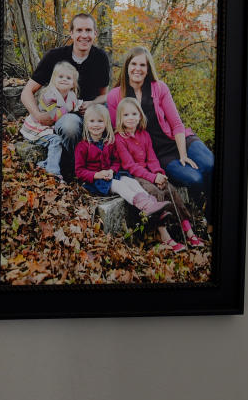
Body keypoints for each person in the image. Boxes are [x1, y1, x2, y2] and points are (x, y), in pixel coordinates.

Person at [106, 46, 214, 215]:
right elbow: (117, 132)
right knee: (195, 179)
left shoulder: (159, 88)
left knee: (210, 164)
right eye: (133, 64)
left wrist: (183, 154)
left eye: (143, 65)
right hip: (159, 154)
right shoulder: (115, 95)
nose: (137, 69)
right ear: (126, 66)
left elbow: (177, 124)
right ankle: (201, 207)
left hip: (179, 140)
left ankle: (213, 215)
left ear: (148, 69)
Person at [19, 13, 111, 177]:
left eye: (88, 30)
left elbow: (105, 96)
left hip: (90, 111)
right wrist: (38, 115)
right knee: (70, 126)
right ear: (72, 33)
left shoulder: (101, 58)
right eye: (79, 30)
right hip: (64, 113)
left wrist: (91, 104)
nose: (84, 35)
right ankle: (73, 170)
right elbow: (26, 92)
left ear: (95, 34)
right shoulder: (55, 56)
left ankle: (110, 166)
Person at [113, 98, 205, 252]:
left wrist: (158, 173)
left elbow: (152, 158)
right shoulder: (120, 138)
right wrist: (152, 178)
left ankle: (188, 231)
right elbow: (130, 166)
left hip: (150, 173)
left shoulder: (145, 135)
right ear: (120, 118)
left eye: (134, 113)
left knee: (170, 189)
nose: (131, 118)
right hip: (133, 176)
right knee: (155, 192)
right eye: (126, 115)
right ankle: (164, 235)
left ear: (140, 116)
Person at [74, 104, 169, 217]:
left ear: (106, 123)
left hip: (112, 175)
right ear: (86, 123)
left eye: (100, 121)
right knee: (120, 186)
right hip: (96, 182)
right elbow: (79, 171)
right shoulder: (82, 146)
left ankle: (152, 204)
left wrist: (112, 171)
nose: (96, 125)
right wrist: (97, 175)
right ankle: (144, 206)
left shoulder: (109, 142)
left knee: (131, 182)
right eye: (92, 121)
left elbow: (116, 162)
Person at [19, 61, 81, 177]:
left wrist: (77, 106)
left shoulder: (71, 94)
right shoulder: (49, 95)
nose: (64, 79)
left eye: (68, 78)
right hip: (38, 128)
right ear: (54, 79)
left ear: (73, 83)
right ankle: (53, 172)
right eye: (61, 76)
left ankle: (44, 164)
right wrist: (67, 108)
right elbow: (52, 116)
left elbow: (72, 105)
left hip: (50, 127)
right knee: (56, 141)